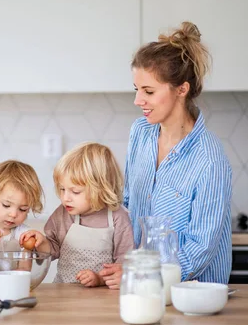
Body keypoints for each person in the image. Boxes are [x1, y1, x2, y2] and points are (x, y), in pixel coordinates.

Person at [100, 21, 232, 289]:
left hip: (192, 296)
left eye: (148, 91)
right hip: (142, 288)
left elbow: (201, 248)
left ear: (181, 90)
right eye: (136, 90)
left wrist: (144, 274)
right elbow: (127, 205)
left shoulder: (209, 159)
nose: (138, 101)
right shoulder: (140, 132)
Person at [21, 142, 134, 287]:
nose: (65, 198)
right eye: (62, 189)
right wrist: (42, 242)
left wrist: (99, 279)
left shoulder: (117, 217)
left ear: (100, 189)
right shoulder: (64, 213)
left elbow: (124, 265)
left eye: (75, 192)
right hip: (64, 292)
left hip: (103, 296)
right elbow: (53, 250)